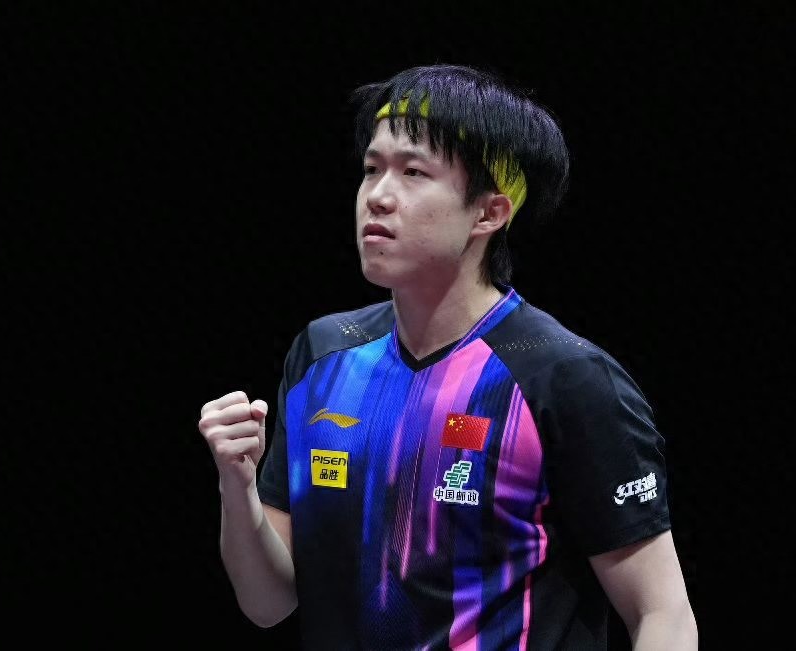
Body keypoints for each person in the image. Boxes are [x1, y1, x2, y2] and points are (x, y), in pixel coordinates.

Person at [199, 63, 698, 650]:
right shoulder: (323, 356)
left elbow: (662, 614)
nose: (377, 197)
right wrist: (237, 486)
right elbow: (266, 604)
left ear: (489, 213)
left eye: (414, 172)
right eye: (371, 169)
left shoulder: (563, 378)